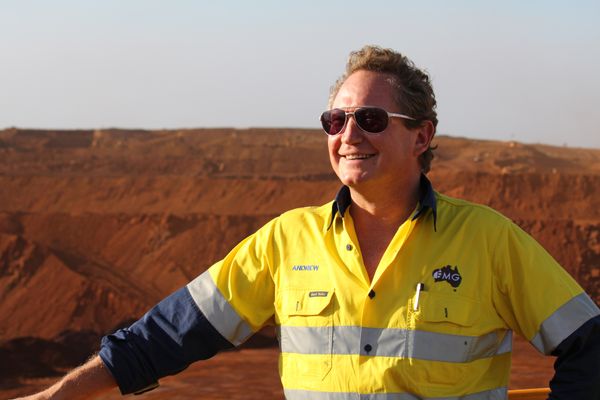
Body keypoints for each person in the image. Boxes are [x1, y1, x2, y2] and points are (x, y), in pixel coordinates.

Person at [16, 45, 600, 400]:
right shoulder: (285, 241)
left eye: (371, 118)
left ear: (422, 136)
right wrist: (59, 394)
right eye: (335, 119)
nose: (349, 135)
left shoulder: (490, 241)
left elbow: (589, 346)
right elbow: (166, 336)